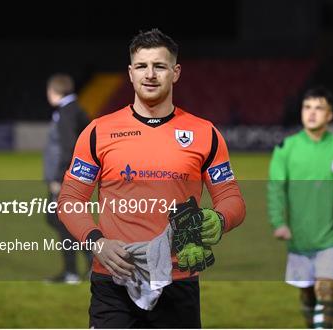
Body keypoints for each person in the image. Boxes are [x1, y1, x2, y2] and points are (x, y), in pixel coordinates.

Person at [57, 29, 246, 328]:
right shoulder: (97, 132)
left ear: (175, 72)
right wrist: (97, 242)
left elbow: (232, 199)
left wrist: (220, 220)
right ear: (130, 73)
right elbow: (69, 200)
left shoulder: (205, 133)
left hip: (177, 279)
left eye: (159, 66)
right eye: (142, 66)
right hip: (113, 279)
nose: (150, 74)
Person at [267, 87, 333, 329]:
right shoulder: (286, 148)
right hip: (300, 238)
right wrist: (278, 222)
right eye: (307, 107)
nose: (311, 113)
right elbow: (276, 188)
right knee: (308, 293)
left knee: (326, 288)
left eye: (319, 108)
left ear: (330, 115)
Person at [43, 73, 92, 284]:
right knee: (60, 220)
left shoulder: (66, 112)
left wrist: (58, 177)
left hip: (65, 178)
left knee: (61, 221)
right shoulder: (74, 109)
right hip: (75, 176)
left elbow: (68, 147)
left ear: (54, 91)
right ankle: (92, 261)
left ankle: (72, 271)